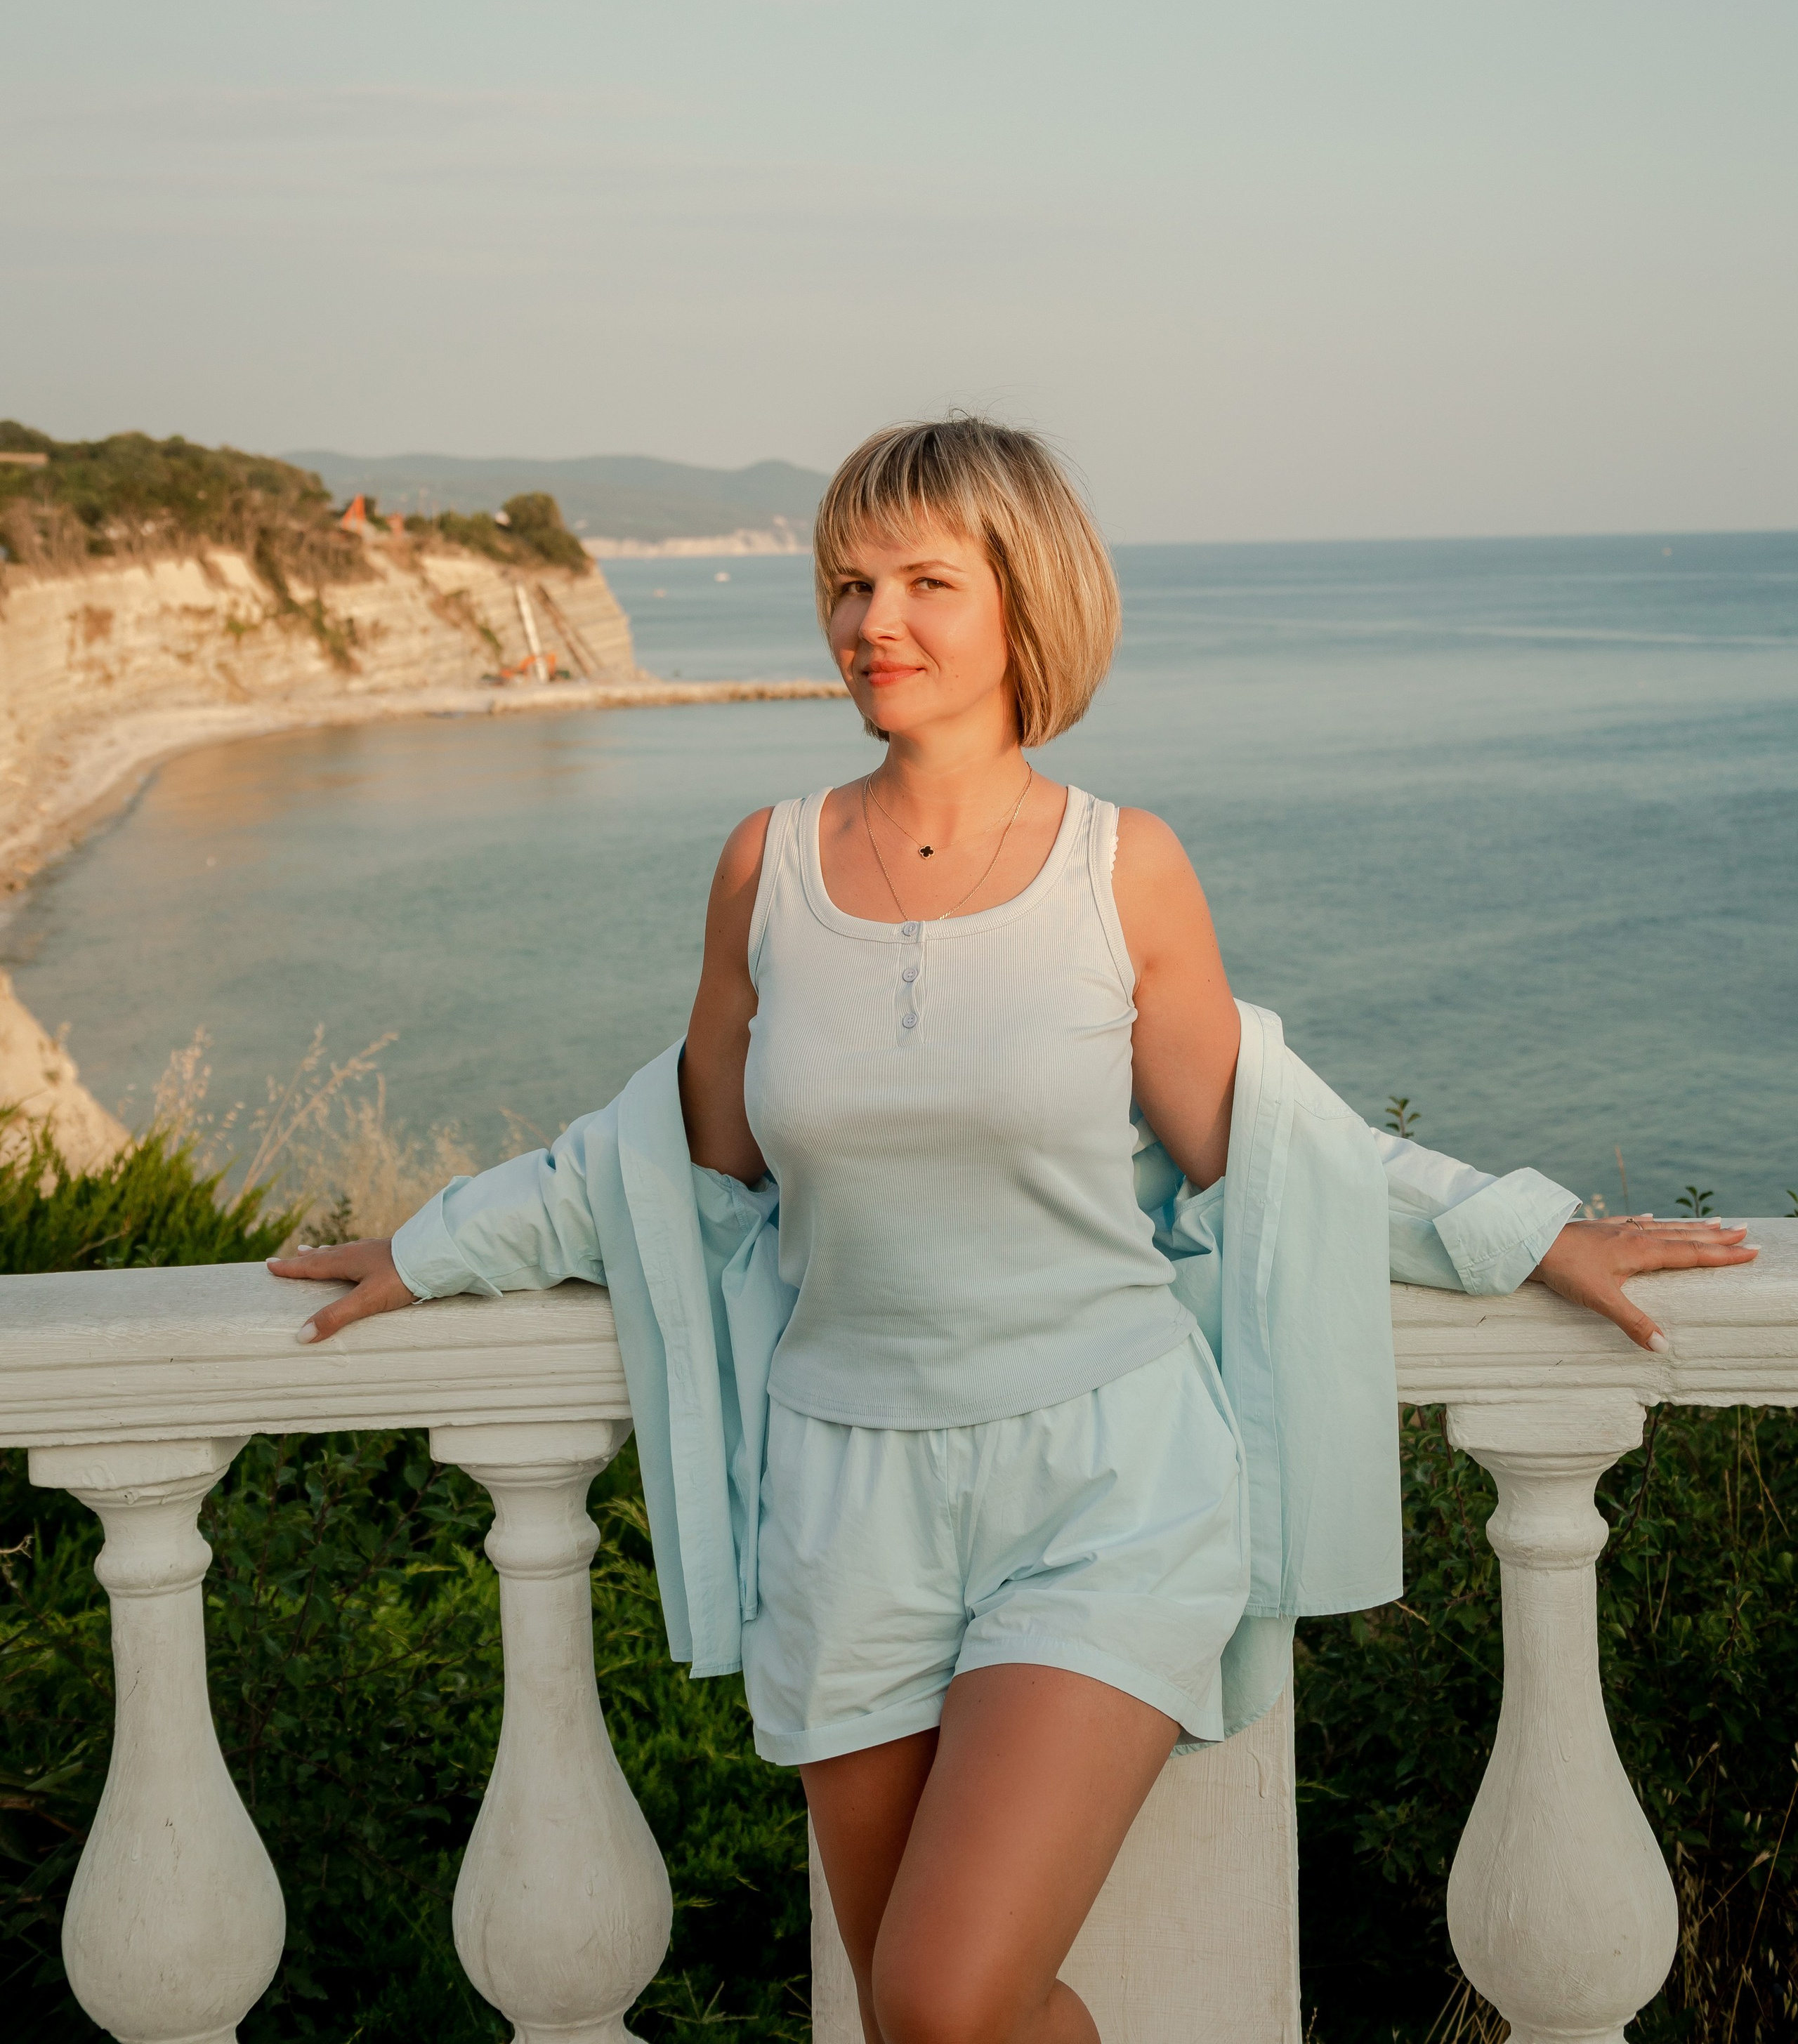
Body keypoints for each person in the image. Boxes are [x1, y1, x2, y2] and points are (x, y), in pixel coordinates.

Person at [273, 416, 1755, 2044]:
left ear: (1021, 604)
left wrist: (1525, 1232)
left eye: (922, 581)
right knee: (938, 2031)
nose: (868, 626)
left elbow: (1278, 1149)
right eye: (846, 584)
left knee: (940, 1994)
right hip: (845, 1497)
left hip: (1106, 1488)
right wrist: (432, 1246)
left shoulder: (1123, 870)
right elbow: (678, 1167)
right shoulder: (764, 868)